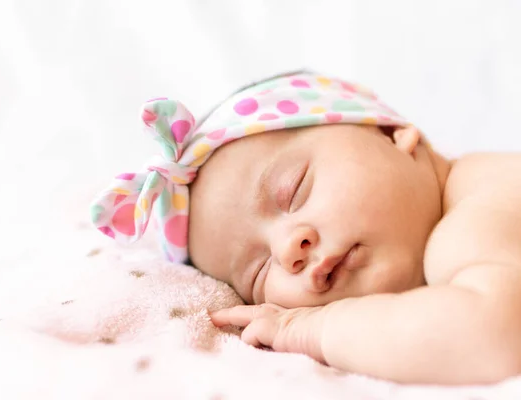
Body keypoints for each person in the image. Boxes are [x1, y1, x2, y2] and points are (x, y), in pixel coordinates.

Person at [90, 70, 521, 384]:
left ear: (391, 134)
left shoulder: (477, 216)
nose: (287, 250)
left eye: (293, 190)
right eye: (258, 273)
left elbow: (491, 335)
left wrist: (314, 330)